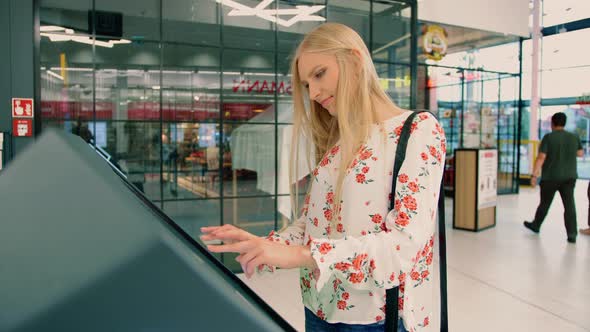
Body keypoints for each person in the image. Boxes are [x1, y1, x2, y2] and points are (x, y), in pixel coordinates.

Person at [201, 23, 446, 332]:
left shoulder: (418, 131)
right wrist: (265, 245)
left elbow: (403, 246)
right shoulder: (338, 139)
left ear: (355, 62)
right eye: (306, 84)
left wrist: (301, 254)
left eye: (319, 74)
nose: (313, 93)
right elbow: (315, 222)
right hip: (318, 307)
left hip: (377, 317)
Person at [524, 112, 583, 243]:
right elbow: (580, 153)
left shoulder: (549, 138)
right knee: (569, 205)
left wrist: (534, 175)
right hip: (569, 177)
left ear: (552, 123)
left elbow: (541, 157)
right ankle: (572, 234)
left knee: (545, 203)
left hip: (550, 177)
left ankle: (536, 225)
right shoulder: (573, 137)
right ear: (564, 123)